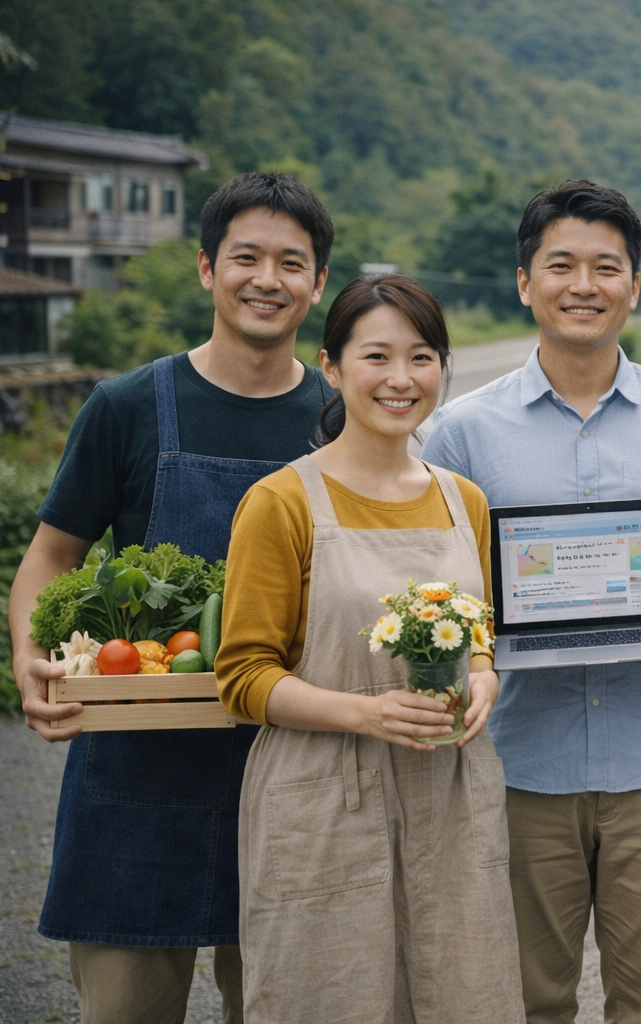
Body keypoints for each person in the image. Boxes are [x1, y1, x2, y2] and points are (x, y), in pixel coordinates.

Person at [420, 179, 641, 1024]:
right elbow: (437, 579)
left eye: (606, 267)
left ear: (634, 286)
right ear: (525, 282)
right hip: (518, 762)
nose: (584, 285)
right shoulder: (462, 430)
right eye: (560, 264)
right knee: (526, 999)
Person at [7, 172, 333, 1024]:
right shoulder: (125, 407)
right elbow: (50, 558)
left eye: (291, 263)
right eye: (245, 257)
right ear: (205, 269)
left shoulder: (341, 418)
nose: (267, 279)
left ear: (318, 283)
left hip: (292, 767)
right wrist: (28, 657)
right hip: (136, 766)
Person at [214, 273, 521, 1022]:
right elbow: (243, 678)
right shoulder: (281, 501)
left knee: (463, 988)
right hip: (323, 793)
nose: (401, 379)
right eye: (376, 357)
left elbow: (478, 637)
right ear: (331, 366)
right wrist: (367, 712)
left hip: (448, 788)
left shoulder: (463, 500)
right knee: (329, 992)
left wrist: (484, 677)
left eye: (422, 358)